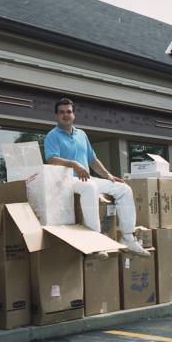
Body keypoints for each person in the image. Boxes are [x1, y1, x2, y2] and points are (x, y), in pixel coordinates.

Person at [44, 98, 150, 257]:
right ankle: (95, 240)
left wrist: (108, 175)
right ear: (56, 116)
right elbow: (51, 160)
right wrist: (73, 164)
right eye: (62, 112)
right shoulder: (52, 136)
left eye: (69, 111)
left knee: (124, 189)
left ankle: (127, 238)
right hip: (66, 180)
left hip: (85, 178)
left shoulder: (81, 134)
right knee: (90, 187)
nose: (66, 115)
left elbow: (92, 160)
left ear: (74, 115)